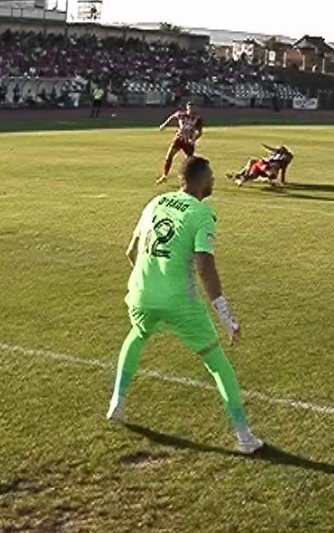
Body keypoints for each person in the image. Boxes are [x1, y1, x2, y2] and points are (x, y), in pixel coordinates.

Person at [109, 157, 264, 454]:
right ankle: (244, 436)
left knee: (138, 335)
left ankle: (117, 403)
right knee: (217, 363)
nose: (214, 181)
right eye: (212, 177)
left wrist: (148, 281)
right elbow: (205, 267)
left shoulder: (156, 202)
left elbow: (131, 250)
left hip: (141, 293)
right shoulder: (202, 213)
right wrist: (225, 315)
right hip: (181, 302)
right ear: (201, 181)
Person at [157, 103, 204, 183]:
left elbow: (199, 132)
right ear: (187, 108)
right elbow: (172, 117)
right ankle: (164, 175)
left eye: (192, 107)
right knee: (169, 155)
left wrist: (193, 139)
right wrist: (164, 125)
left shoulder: (197, 119)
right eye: (189, 107)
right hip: (179, 139)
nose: (191, 109)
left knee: (190, 161)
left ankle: (193, 177)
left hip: (188, 142)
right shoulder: (181, 115)